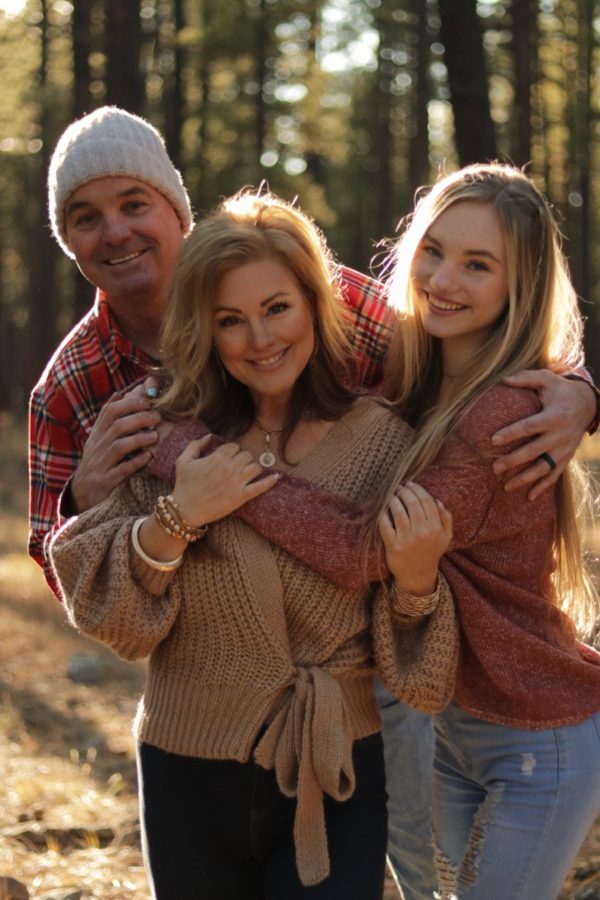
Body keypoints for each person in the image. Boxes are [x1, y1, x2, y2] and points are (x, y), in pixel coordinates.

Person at [29, 106, 598, 900]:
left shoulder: (302, 287)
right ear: (67, 240)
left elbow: (462, 349)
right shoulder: (74, 386)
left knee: (421, 869)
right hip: (201, 725)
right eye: (84, 218)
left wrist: (579, 392)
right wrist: (90, 501)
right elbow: (77, 586)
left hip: (376, 709)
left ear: (176, 206)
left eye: (134, 203)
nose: (115, 232)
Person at [48, 189, 459, 899]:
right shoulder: (163, 436)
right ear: (203, 331)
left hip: (334, 768)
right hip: (187, 766)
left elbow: (422, 679)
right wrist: (176, 518)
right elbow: (110, 620)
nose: (260, 339)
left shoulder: (386, 442)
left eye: (277, 309)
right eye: (230, 321)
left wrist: (418, 583)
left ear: (314, 304)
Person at [253, 163, 600, 898]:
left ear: (520, 287)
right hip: (448, 726)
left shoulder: (500, 413)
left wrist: (231, 479)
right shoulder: (411, 378)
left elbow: (360, 551)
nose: (444, 279)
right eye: (435, 251)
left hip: (537, 739)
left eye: (479, 265)